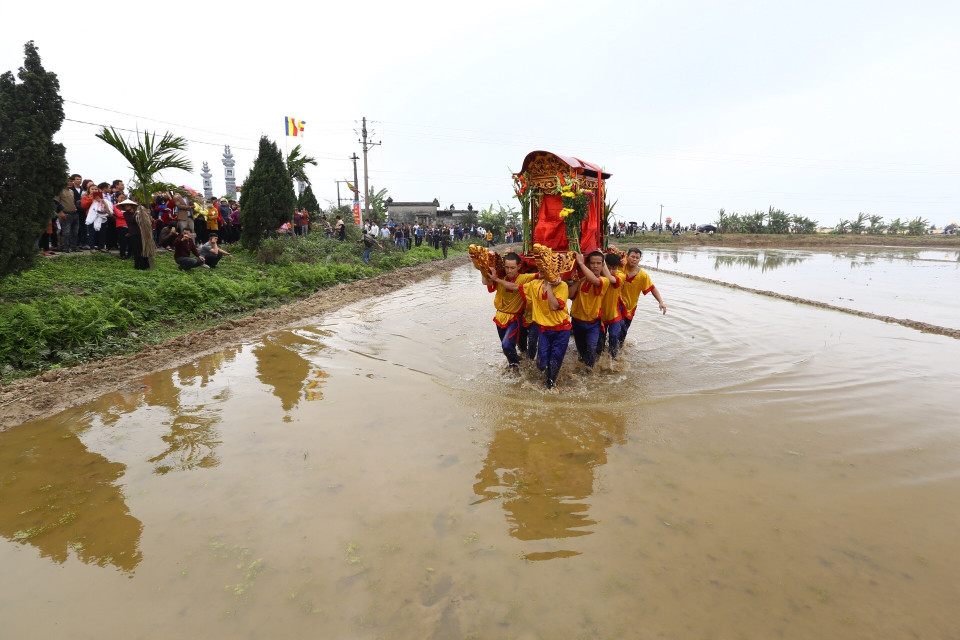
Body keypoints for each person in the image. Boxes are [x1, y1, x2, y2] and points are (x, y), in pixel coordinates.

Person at [481, 253, 538, 367]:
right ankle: (517, 366)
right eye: (506, 267)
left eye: (512, 268)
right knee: (506, 347)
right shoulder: (500, 277)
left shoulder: (525, 278)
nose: (509, 271)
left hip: (515, 319)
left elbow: (542, 275)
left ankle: (515, 367)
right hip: (499, 317)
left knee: (506, 345)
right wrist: (483, 268)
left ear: (519, 267)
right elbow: (486, 282)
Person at [568, 251, 618, 368]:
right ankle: (583, 371)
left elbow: (594, 281)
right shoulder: (581, 280)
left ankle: (589, 373)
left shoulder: (604, 281)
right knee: (581, 351)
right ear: (588, 264)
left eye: (598, 263)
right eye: (592, 263)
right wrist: (579, 280)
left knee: (591, 348)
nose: (595, 266)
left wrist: (581, 264)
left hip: (593, 323)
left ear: (603, 265)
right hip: (577, 321)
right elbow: (570, 295)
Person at [520, 274, 571, 388]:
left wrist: (549, 286)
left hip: (561, 330)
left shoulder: (562, 285)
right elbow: (516, 287)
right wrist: (496, 279)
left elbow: (554, 306)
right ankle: (546, 378)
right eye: (541, 268)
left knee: (555, 361)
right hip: (544, 329)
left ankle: (550, 385)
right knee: (541, 364)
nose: (543, 271)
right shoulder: (535, 284)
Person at [617, 248, 667, 343]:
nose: (634, 259)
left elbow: (652, 288)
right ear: (627, 257)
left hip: (630, 308)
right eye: (632, 256)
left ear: (640, 260)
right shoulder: (620, 268)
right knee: (616, 329)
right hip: (617, 305)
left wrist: (661, 302)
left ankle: (619, 349)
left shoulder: (643, 275)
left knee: (623, 332)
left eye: (637, 258)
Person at [595, 253, 626, 359]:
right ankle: (600, 359)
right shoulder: (597, 275)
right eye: (608, 268)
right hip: (600, 315)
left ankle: (613, 360)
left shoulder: (621, 275)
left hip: (614, 314)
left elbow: (610, 278)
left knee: (614, 336)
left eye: (614, 268)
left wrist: (603, 262)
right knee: (600, 342)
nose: (611, 271)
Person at [54, 176, 81, 252]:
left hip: (74, 213)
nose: (70, 183)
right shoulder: (59, 191)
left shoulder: (71, 191)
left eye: (71, 181)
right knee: (66, 232)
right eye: (68, 181)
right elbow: (56, 203)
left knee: (75, 232)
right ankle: (65, 247)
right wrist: (61, 213)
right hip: (65, 214)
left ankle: (73, 247)